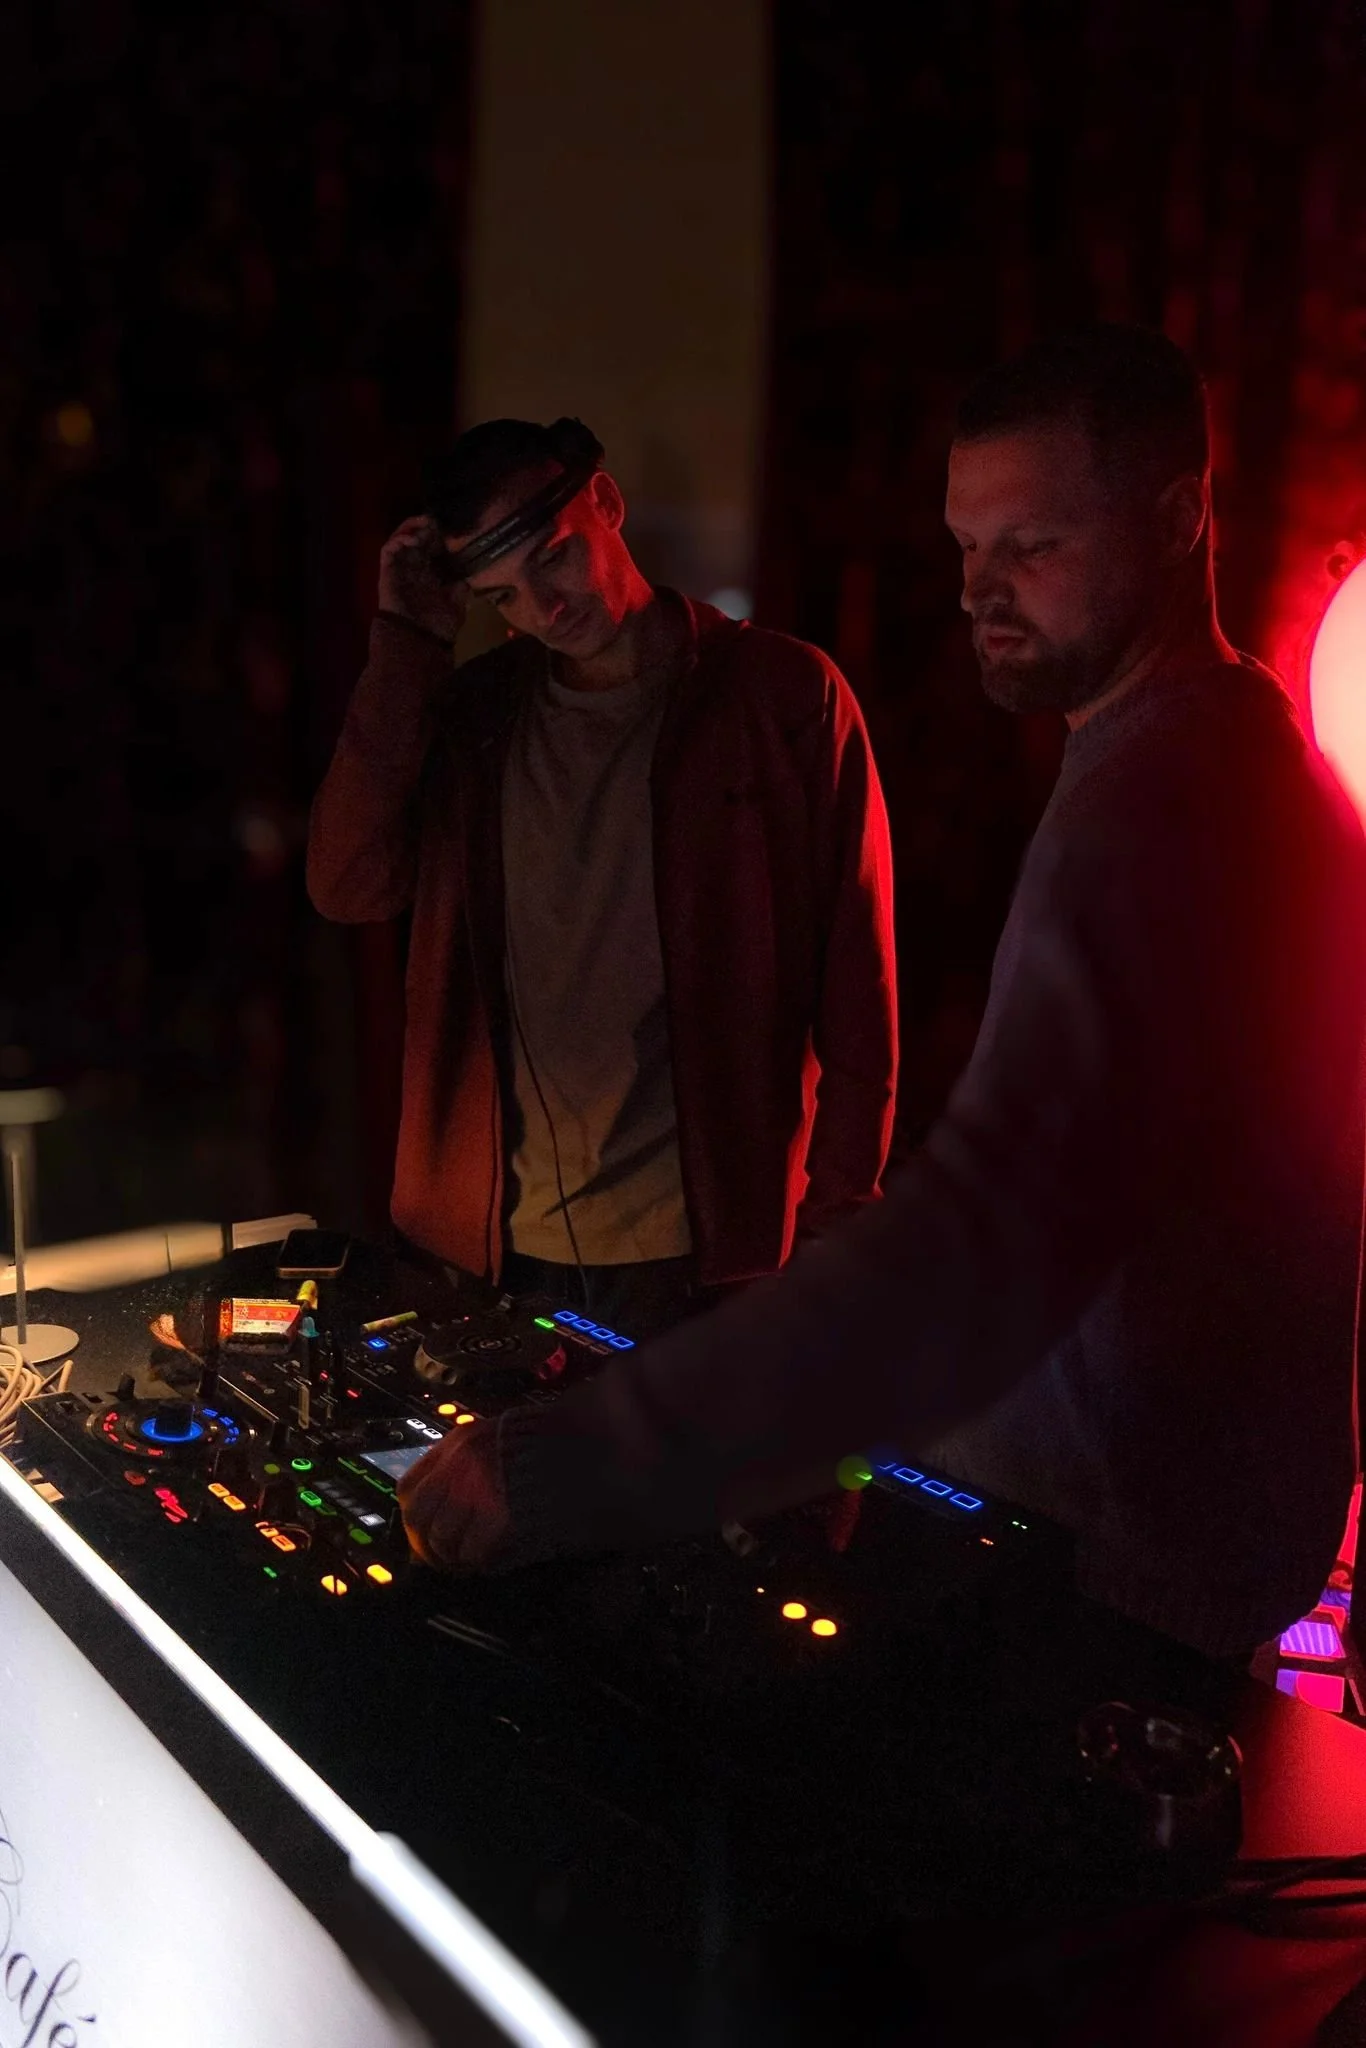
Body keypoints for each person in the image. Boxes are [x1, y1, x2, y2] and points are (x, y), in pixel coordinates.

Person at [399, 326, 1366, 1673]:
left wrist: (564, 1463)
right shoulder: (1205, 750)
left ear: (1176, 519)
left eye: (1031, 545)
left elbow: (980, 1249)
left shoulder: (1163, 809)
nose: (979, 591)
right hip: (1125, 1538)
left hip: (1104, 1573)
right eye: (965, 546)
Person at [308, 417, 897, 1336]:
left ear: (608, 503)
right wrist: (407, 642)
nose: (543, 607)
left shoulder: (779, 694)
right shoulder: (480, 714)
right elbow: (347, 883)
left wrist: (833, 1239)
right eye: (502, 596)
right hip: (492, 1251)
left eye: (554, 557)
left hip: (705, 1257)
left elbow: (859, 990)